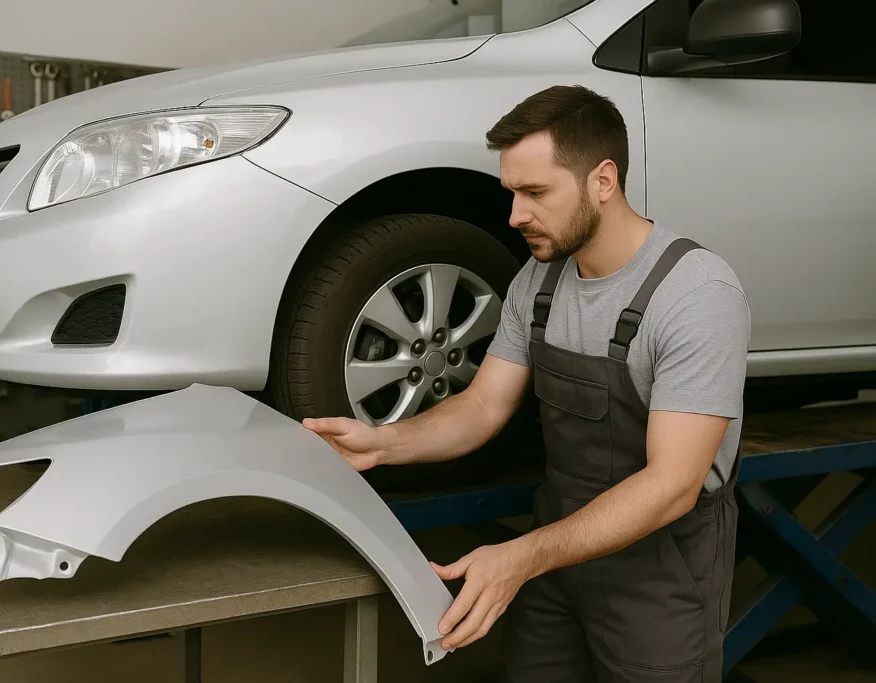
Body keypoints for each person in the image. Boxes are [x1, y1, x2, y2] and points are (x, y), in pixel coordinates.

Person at [303, 84, 751, 682]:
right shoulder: (537, 282)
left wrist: (518, 558)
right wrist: (382, 443)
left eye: (535, 192)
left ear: (602, 180)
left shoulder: (696, 296)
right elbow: (484, 404)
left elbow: (672, 486)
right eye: (511, 192)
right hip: (557, 557)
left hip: (659, 569)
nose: (515, 215)